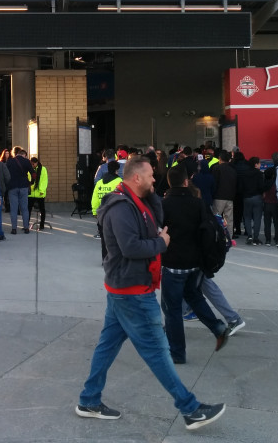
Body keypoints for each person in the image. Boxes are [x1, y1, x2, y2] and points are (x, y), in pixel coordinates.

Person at [75, 156, 226, 432]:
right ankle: (190, 409)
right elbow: (131, 247)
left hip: (127, 288)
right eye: (150, 176)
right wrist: (161, 243)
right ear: (136, 178)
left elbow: (156, 216)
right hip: (132, 291)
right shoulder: (121, 208)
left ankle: (88, 400)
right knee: (158, 351)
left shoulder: (136, 200)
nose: (155, 179)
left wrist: (153, 194)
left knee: (107, 345)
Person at [161, 165, 230, 362]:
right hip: (195, 263)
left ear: (169, 182)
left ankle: (177, 353)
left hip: (173, 264)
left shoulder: (164, 205)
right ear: (185, 182)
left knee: (172, 309)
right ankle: (218, 328)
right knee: (194, 296)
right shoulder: (198, 204)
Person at [91, 160, 122, 250]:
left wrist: (94, 211)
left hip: (101, 213)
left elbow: (95, 198)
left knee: (104, 239)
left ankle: (104, 259)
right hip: (114, 213)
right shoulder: (119, 182)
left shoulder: (100, 182)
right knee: (114, 239)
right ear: (116, 170)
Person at [6, 146, 34, 234]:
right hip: (24, 187)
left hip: (12, 187)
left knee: (14, 209)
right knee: (24, 209)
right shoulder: (26, 161)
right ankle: (26, 228)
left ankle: (14, 229)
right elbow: (33, 174)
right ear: (23, 154)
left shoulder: (10, 161)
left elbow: (6, 174)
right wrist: (31, 182)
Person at [238, 156, 264, 244]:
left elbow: (240, 187)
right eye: (259, 163)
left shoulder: (244, 173)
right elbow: (261, 186)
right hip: (257, 197)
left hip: (246, 198)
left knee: (247, 217)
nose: (260, 164)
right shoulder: (259, 174)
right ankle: (256, 237)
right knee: (257, 218)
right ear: (256, 164)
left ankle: (249, 236)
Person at [28, 156, 48, 230]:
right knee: (28, 209)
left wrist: (42, 191)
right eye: (31, 164)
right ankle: (26, 223)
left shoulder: (43, 169)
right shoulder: (29, 169)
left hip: (39, 193)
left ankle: (42, 224)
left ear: (37, 163)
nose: (32, 165)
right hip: (31, 193)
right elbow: (28, 179)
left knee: (42, 209)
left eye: (33, 164)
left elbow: (44, 181)